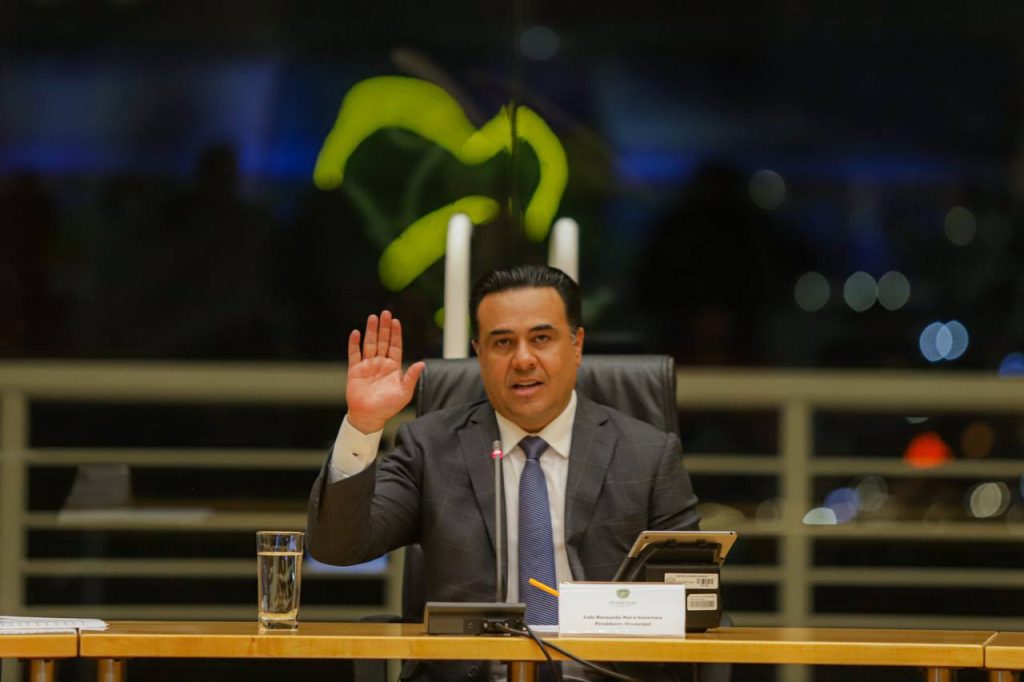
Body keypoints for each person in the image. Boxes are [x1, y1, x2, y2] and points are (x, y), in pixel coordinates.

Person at [307, 264, 702, 681]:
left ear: (576, 345)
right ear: (479, 352)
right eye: (503, 342)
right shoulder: (431, 447)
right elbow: (337, 548)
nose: (523, 359)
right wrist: (364, 424)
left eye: (541, 339)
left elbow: (693, 599)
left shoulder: (647, 454)